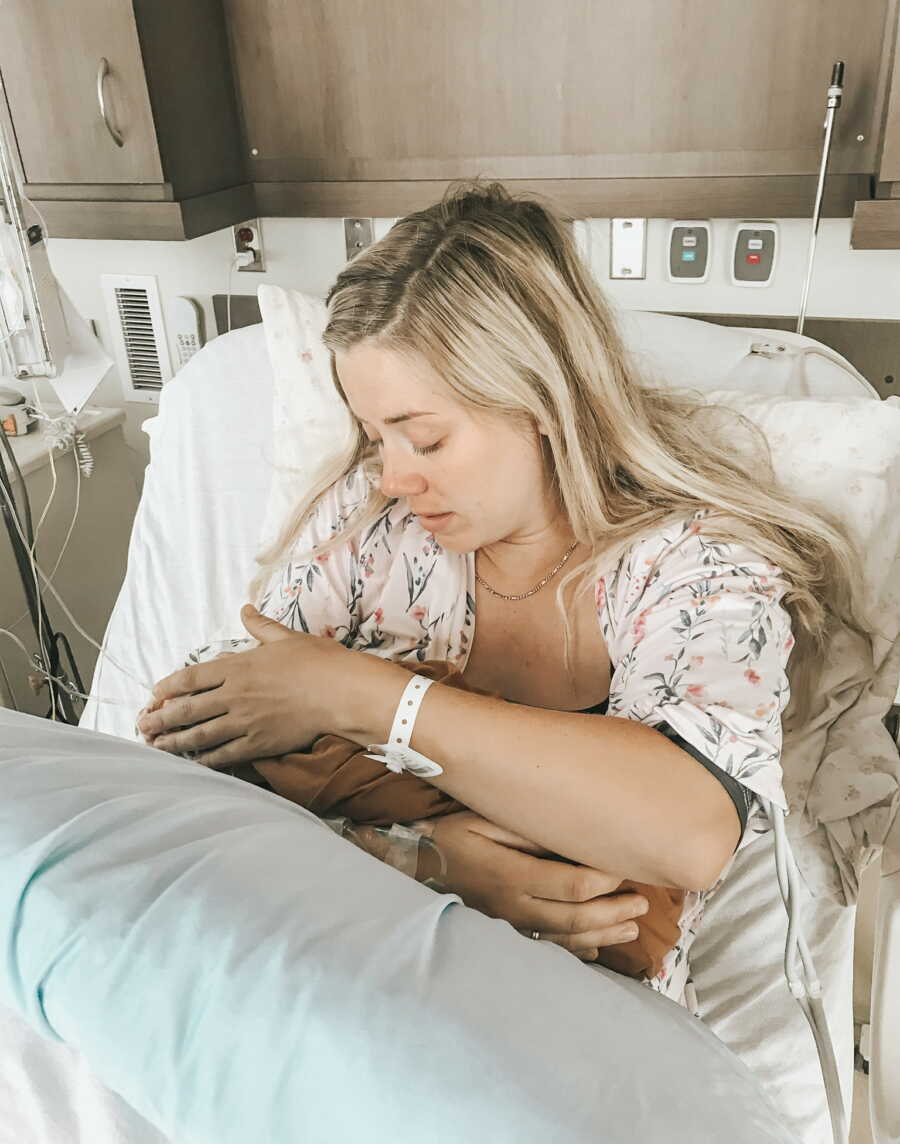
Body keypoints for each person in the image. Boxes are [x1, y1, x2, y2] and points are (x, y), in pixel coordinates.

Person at [137, 179, 872, 1013]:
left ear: (546, 401)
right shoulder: (369, 527)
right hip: (337, 979)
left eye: (427, 437)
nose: (395, 475)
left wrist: (356, 696)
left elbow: (688, 830)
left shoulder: (694, 565)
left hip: (578, 1028)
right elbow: (183, 764)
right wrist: (428, 862)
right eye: (375, 435)